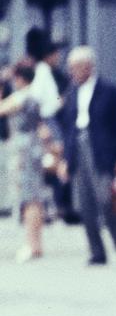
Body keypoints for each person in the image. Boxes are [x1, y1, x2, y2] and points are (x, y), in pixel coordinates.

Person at [57, 46, 116, 266]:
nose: (72, 72)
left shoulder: (108, 90)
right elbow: (68, 127)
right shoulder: (71, 91)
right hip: (78, 149)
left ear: (89, 67)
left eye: (76, 67)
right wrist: (65, 159)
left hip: (101, 150)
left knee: (108, 200)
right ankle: (97, 251)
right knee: (85, 204)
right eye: (70, 68)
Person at [0, 58, 52, 260]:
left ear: (19, 78)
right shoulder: (33, 96)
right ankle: (36, 244)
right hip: (33, 146)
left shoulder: (21, 97)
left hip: (23, 149)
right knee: (35, 198)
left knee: (28, 198)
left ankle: (31, 244)